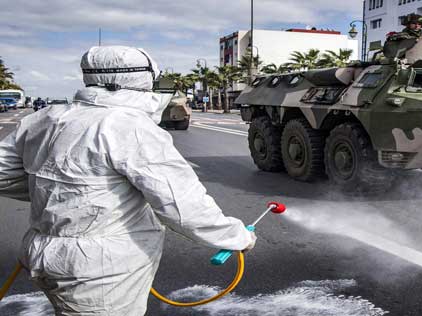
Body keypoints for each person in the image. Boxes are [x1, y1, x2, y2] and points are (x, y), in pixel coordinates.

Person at [0, 45, 256, 316]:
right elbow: (183, 206)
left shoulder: (44, 117)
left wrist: (62, 193)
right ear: (141, 79)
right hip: (99, 269)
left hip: (41, 252)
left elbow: (4, 173)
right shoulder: (129, 126)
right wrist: (237, 236)